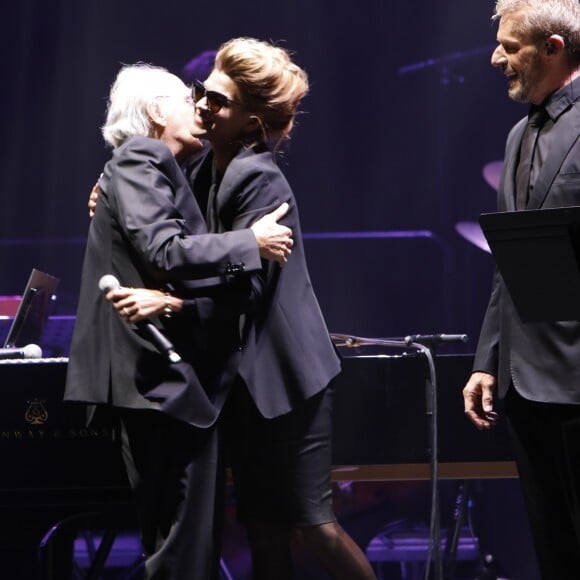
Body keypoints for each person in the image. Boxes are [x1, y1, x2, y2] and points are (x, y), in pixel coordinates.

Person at [107, 38, 377, 579]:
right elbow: (174, 233)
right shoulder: (207, 168)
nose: (202, 104)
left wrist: (171, 301)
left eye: (218, 102)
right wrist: (107, 190)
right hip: (243, 384)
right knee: (261, 526)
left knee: (310, 523)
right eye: (202, 92)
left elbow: (250, 291)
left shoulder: (257, 176)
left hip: (285, 383)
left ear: (252, 125)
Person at [65, 63, 294, 580]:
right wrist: (249, 242)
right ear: (154, 113)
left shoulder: (145, 167)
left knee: (178, 538)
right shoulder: (143, 156)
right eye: (185, 100)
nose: (199, 108)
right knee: (182, 543)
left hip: (153, 381)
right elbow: (165, 251)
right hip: (160, 380)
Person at [462, 1, 580, 578]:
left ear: (553, 48)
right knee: (553, 550)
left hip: (579, 376)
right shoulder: (516, 135)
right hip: (527, 384)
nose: (495, 58)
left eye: (510, 47)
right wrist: (489, 357)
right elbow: (509, 259)